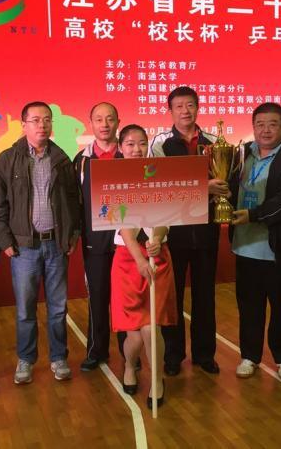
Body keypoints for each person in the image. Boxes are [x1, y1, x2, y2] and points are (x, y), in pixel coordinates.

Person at [0, 101, 81, 384]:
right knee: (24, 310)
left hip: (56, 245)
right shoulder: (8, 159)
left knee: (58, 307)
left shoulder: (62, 159)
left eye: (47, 120)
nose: (42, 125)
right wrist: (5, 241)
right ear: (24, 125)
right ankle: (26, 359)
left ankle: (59, 357)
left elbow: (74, 202)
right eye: (35, 120)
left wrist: (72, 235)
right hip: (24, 248)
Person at [149, 86, 228, 376]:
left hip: (206, 231)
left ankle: (205, 354)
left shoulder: (214, 143)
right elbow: (163, 184)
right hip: (174, 233)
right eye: (179, 106)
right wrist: (203, 187)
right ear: (170, 111)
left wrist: (218, 189)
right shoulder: (160, 144)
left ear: (198, 107)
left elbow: (223, 183)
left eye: (190, 105)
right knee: (173, 297)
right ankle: (173, 356)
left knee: (205, 296)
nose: (185, 111)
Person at [230, 103, 281, 381]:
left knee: (280, 306)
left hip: (277, 246)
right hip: (244, 245)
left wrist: (253, 215)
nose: (266, 130)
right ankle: (249, 356)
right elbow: (228, 187)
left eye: (272, 124)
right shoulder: (241, 154)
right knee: (248, 306)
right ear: (253, 127)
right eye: (260, 124)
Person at [111, 124, 176, 408]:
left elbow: (167, 215)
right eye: (129, 144)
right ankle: (130, 364)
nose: (136, 149)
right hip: (127, 260)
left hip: (157, 257)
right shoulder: (112, 178)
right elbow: (123, 224)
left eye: (141, 143)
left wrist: (158, 239)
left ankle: (157, 381)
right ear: (120, 147)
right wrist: (138, 259)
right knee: (135, 336)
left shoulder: (159, 175)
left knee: (152, 329)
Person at [73, 102, 127, 371]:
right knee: (97, 295)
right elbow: (75, 202)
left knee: (127, 298)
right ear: (91, 123)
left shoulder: (129, 155)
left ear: (118, 122)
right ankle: (97, 350)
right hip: (94, 241)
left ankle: (130, 352)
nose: (105, 124)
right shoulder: (81, 160)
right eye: (99, 119)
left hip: (127, 241)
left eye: (110, 118)